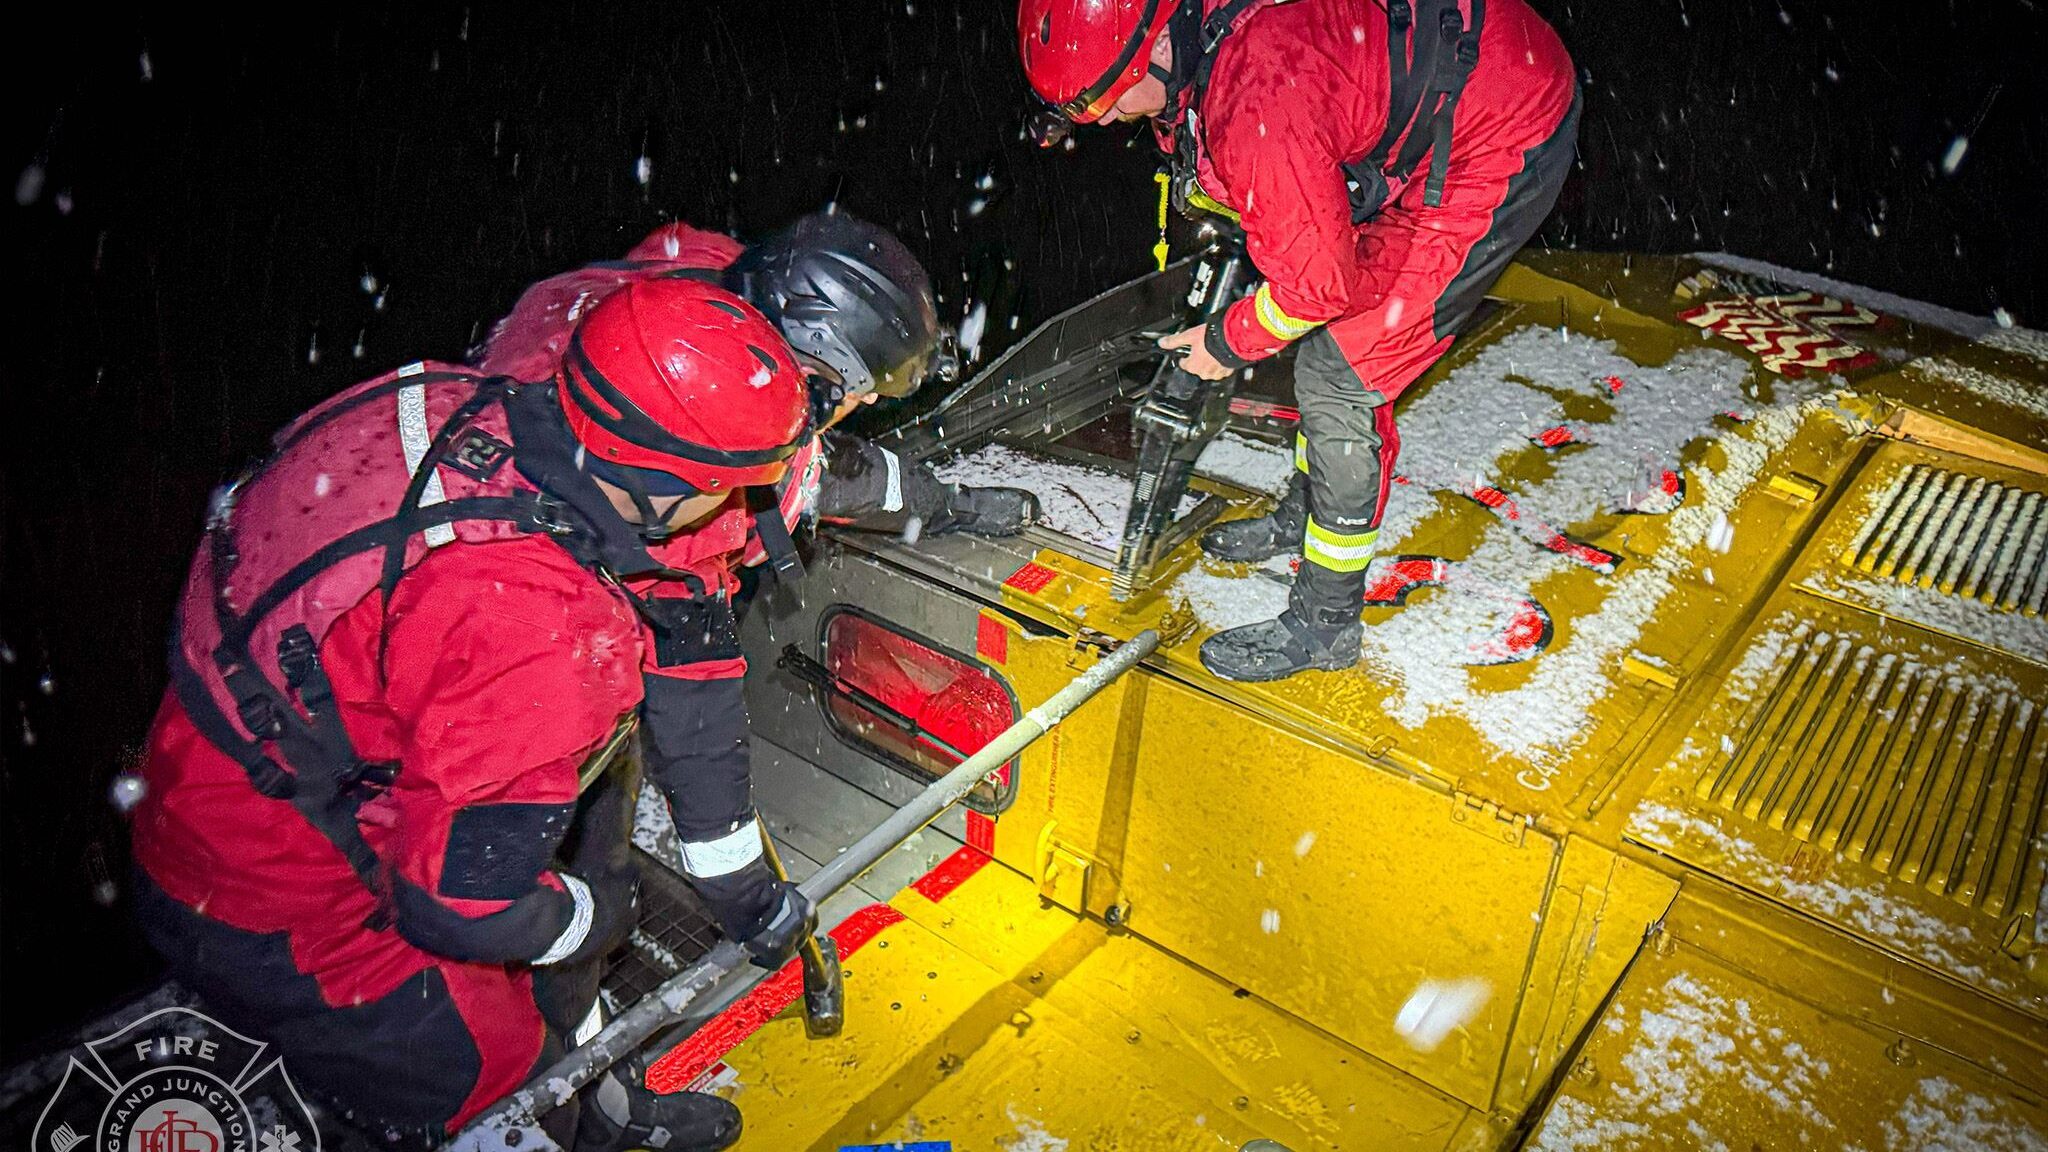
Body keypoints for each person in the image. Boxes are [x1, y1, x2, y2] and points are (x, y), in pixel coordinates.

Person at [130, 277, 820, 1150]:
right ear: (654, 480)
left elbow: (689, 597)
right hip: (268, 876)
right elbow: (459, 907)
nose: (739, 513)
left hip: (284, 753)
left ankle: (605, 1125)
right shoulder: (541, 632)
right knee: (485, 1076)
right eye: (731, 489)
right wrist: (586, 921)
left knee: (551, 992)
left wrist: (737, 882)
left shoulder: (491, 410)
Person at [1018, 0, 1579, 680]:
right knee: (1327, 346)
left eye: (1104, 100)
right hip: (1443, 90)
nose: (1103, 121)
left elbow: (1318, 287)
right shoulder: (1210, 46)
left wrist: (1224, 342)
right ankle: (1305, 510)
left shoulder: (1260, 96)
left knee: (1341, 375)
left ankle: (1326, 624)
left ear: (1158, 45)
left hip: (1501, 126)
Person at [477, 212, 1038, 545]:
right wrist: (957, 506)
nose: (861, 403)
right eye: (846, 387)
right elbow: (848, 481)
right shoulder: (689, 429)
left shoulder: (700, 276)